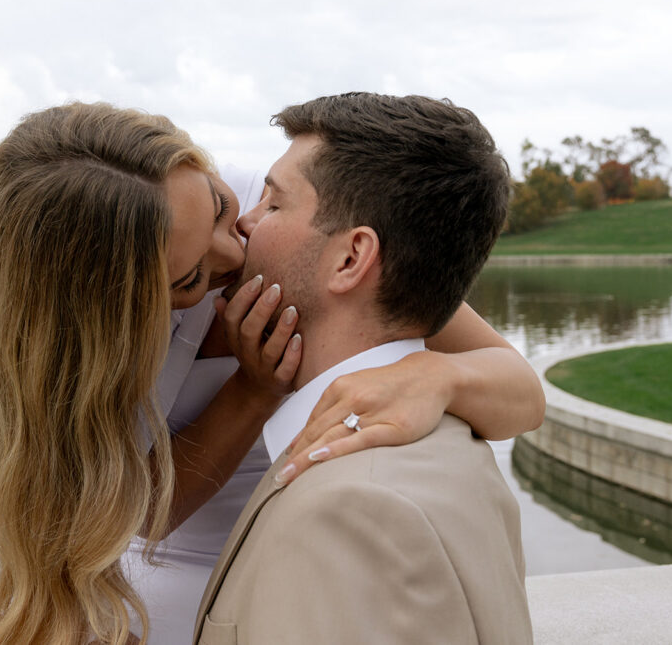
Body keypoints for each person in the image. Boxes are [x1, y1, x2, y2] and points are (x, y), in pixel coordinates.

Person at [0, 101, 542, 645]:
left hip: (313, 543)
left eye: (220, 207)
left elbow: (521, 391)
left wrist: (435, 377)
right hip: (173, 566)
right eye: (189, 280)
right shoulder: (76, 341)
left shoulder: (283, 217)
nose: (235, 253)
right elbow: (133, 516)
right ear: (115, 309)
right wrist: (254, 390)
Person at [193, 93, 532, 644]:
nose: (247, 222)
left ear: (351, 258)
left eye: (273, 205)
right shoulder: (458, 443)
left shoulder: (347, 510)